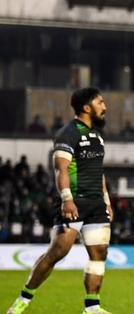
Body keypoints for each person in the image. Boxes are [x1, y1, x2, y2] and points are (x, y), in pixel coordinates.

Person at [7, 87, 113, 314]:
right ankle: (23, 299)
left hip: (96, 204)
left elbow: (98, 171)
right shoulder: (68, 133)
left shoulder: (98, 135)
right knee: (58, 251)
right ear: (87, 108)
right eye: (100, 103)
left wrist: (106, 200)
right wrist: (67, 199)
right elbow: (60, 169)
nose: (104, 107)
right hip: (74, 202)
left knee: (99, 254)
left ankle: (92, 307)